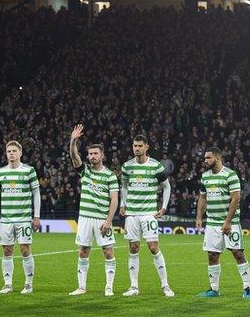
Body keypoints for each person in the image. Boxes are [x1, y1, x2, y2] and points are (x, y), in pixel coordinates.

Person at [120, 135, 174, 297]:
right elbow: (124, 187)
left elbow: (166, 187)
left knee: (153, 247)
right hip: (132, 215)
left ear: (146, 147)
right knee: (133, 248)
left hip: (149, 214)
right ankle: (134, 287)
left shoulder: (155, 166)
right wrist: (123, 204)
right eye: (134, 146)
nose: (136, 148)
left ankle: (165, 286)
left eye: (140, 146)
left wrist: (163, 207)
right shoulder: (127, 166)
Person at [195, 147, 250, 298]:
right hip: (212, 222)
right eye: (205, 158)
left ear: (217, 158)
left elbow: (236, 198)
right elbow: (202, 197)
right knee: (212, 255)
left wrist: (227, 222)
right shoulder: (205, 176)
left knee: (238, 253)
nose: (205, 161)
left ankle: (247, 289)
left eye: (208, 158)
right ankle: (214, 289)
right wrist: (199, 217)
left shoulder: (230, 175)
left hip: (230, 222)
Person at [68, 124, 119, 296]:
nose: (92, 156)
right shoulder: (85, 171)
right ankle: (82, 287)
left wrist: (108, 220)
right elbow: (74, 156)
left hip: (102, 219)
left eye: (96, 153)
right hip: (85, 218)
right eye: (90, 154)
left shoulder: (110, 175)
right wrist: (73, 140)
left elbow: (114, 200)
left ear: (102, 155)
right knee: (83, 251)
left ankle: (109, 287)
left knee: (108, 251)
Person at [0, 140, 41, 294]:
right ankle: (7, 284)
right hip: (6, 219)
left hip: (24, 218)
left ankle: (29, 284)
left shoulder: (29, 171)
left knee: (25, 250)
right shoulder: (0, 172)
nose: (11, 153)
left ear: (20, 153)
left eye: (14, 151)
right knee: (7, 251)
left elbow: (36, 193)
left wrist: (36, 216)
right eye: (9, 151)